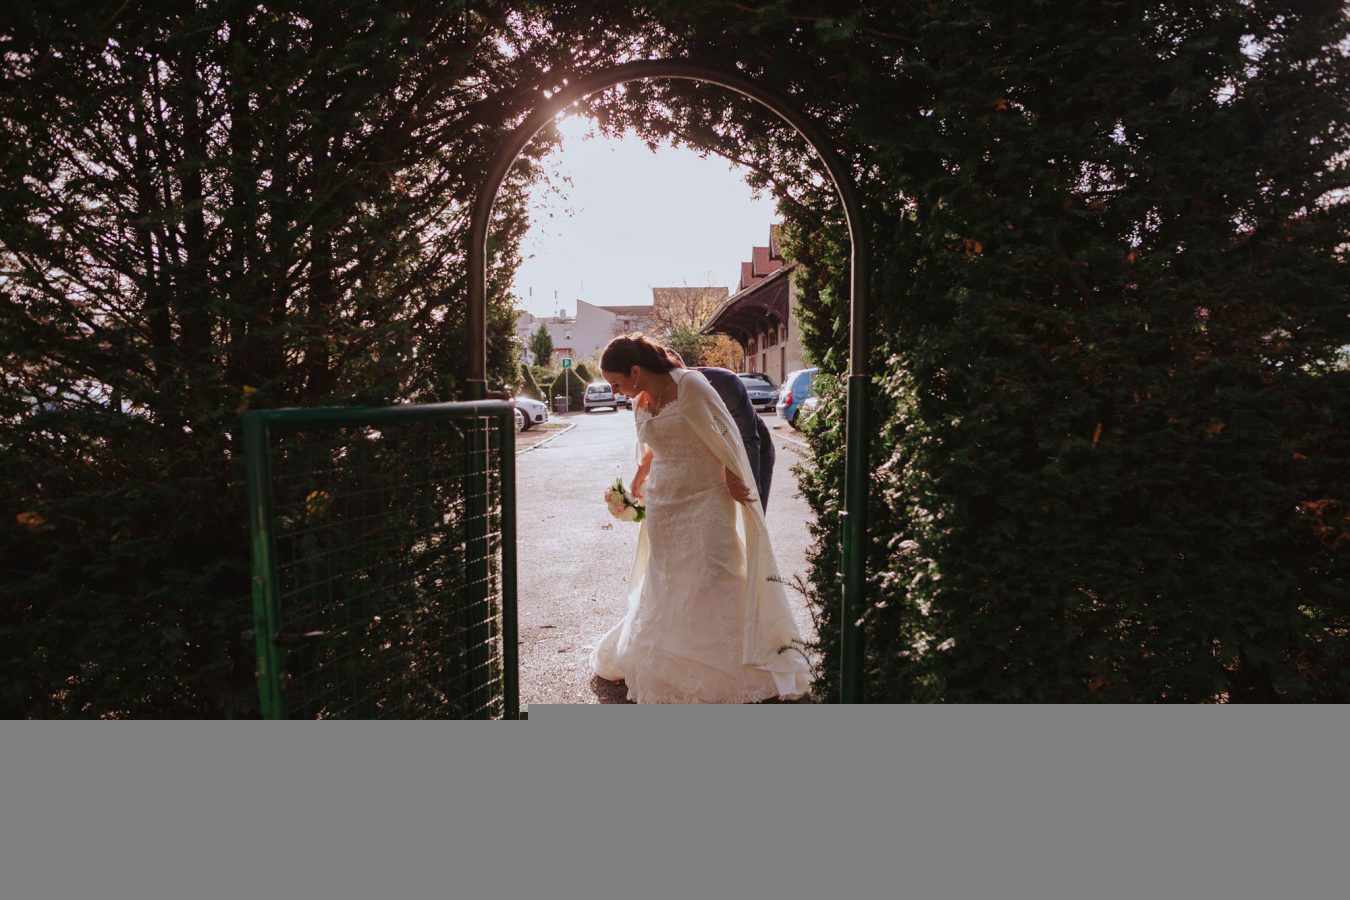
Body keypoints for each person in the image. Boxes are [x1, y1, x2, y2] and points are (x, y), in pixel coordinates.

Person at [590, 334, 811, 703]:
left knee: (714, 573)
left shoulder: (690, 385)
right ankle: (666, 662)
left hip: (706, 496)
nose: (615, 391)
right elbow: (655, 443)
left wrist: (733, 474)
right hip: (664, 501)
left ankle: (738, 662)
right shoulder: (639, 399)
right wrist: (639, 478)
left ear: (635, 371)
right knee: (668, 578)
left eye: (616, 383)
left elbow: (727, 433)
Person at [692, 366, 775, 513]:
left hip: (752, 448)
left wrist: (747, 485)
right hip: (707, 459)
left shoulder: (724, 382)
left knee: (751, 510)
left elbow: (747, 439)